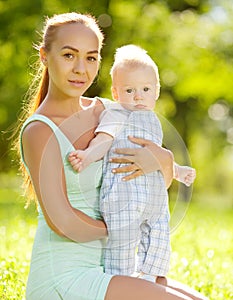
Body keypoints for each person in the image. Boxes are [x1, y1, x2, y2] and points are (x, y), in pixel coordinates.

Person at [17, 12, 215, 300]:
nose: (81, 68)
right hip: (65, 276)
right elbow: (63, 221)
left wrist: (162, 161)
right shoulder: (40, 130)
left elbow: (156, 180)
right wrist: (124, 224)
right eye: (69, 55)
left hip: (109, 264)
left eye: (91, 57)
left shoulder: (105, 110)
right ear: (44, 56)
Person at [68, 44, 196, 281]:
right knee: (122, 245)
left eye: (145, 89)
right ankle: (121, 282)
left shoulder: (154, 121)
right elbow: (103, 141)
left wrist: (178, 171)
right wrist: (87, 156)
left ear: (156, 91)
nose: (138, 96)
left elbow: (156, 156)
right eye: (129, 90)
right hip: (124, 195)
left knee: (158, 241)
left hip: (155, 199)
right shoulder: (116, 114)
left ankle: (150, 279)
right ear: (116, 94)